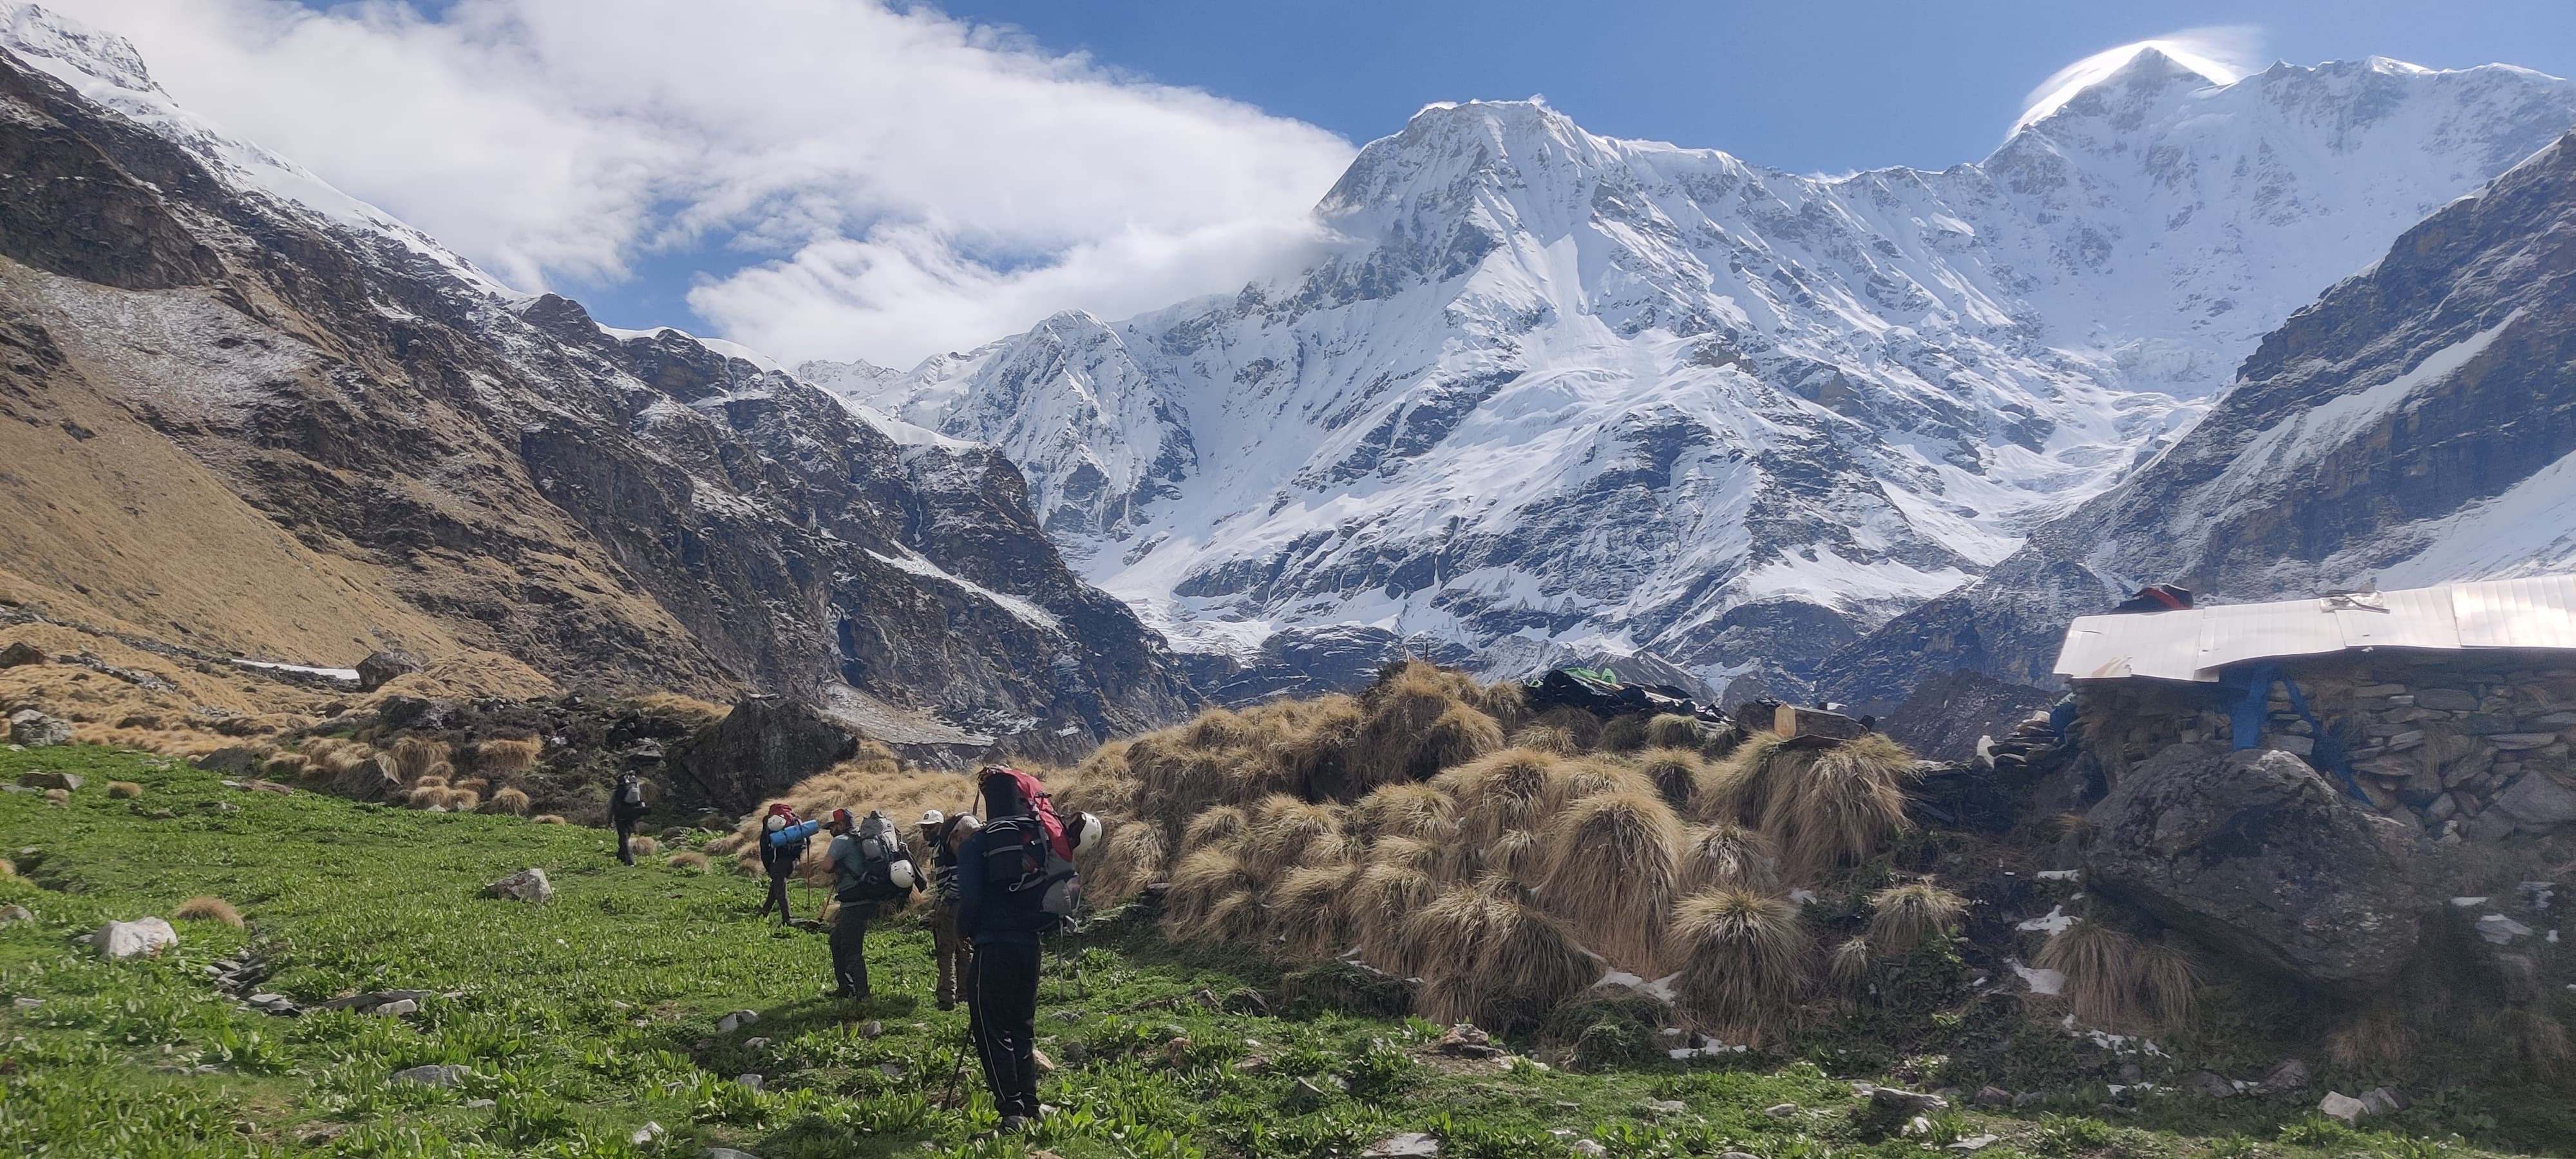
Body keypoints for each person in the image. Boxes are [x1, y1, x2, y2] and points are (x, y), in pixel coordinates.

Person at [956, 768, 1059, 1131]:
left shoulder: (977, 844)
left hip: (993, 945)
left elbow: (970, 900)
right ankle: (1031, 1104)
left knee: (990, 1027)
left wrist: (962, 931)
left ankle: (1011, 1111)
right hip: (1030, 944)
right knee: (1021, 1026)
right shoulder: (1036, 839)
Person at [824, 808, 916, 1000]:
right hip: (868, 897)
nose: (831, 830)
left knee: (851, 949)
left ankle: (863, 995)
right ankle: (845, 987)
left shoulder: (841, 841)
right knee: (836, 940)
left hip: (854, 903)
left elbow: (826, 866)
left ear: (841, 824)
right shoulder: (862, 838)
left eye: (833, 826)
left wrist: (837, 866)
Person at [917, 809, 979, 1011]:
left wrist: (946, 900)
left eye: (931, 828)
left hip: (951, 904)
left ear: (941, 828)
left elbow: (953, 878)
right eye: (924, 828)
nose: (926, 832)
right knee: (964, 949)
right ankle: (965, 993)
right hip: (965, 902)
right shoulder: (953, 845)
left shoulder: (944, 848)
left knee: (946, 952)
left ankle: (946, 997)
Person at [757, 803, 810, 923]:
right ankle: (765, 910)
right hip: (794, 860)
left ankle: (787, 918)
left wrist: (768, 866)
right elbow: (807, 841)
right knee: (776, 885)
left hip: (778, 860)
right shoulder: (795, 820)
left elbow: (764, 846)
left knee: (780, 889)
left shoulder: (769, 822)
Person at [609, 770, 648, 866]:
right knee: (625, 837)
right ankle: (620, 857)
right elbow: (641, 802)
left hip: (621, 816)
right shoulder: (636, 788)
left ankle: (630, 861)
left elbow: (611, 807)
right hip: (633, 816)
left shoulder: (618, 792)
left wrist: (609, 820)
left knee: (624, 838)